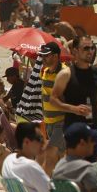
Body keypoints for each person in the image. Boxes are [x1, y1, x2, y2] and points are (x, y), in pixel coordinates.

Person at [49, 36, 97, 160]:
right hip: (73, 129)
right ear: (75, 51)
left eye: (92, 48)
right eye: (86, 48)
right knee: (75, 167)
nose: (90, 51)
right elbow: (53, 99)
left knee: (90, 167)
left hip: (94, 129)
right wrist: (73, 109)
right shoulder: (66, 74)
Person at [1, 122, 60, 192]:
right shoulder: (30, 166)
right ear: (27, 142)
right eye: (39, 139)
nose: (44, 143)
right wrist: (49, 160)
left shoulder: (8, 161)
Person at [39, 42, 66, 175]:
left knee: (51, 154)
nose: (43, 58)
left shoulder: (64, 73)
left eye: (46, 56)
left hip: (61, 121)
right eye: (42, 55)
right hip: (48, 122)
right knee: (60, 156)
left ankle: (45, 185)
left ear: (55, 56)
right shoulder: (45, 71)